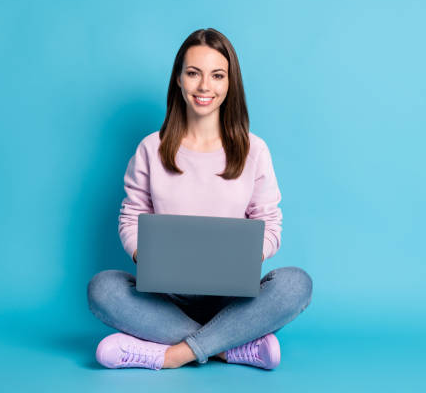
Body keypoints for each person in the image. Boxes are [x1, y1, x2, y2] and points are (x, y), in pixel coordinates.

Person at [87, 28, 313, 371]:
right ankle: (230, 347)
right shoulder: (152, 148)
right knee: (102, 288)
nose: (204, 86)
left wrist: (248, 255)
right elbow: (131, 216)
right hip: (165, 298)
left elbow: (270, 222)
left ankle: (170, 355)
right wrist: (143, 254)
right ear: (179, 79)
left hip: (234, 298)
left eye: (217, 75)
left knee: (296, 284)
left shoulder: (254, 150)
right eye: (194, 73)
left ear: (229, 83)